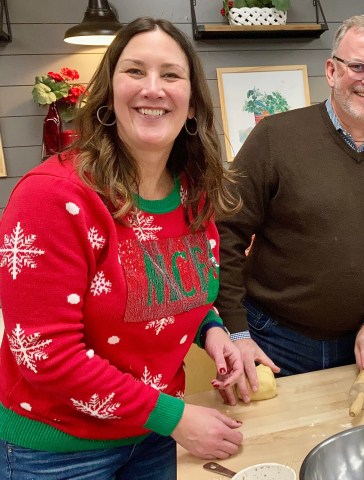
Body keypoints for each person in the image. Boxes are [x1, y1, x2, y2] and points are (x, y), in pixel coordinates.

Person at [0, 17, 246, 479]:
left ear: (192, 104)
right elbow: (46, 355)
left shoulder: (194, 191)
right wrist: (175, 418)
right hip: (59, 450)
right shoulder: (52, 197)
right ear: (108, 95)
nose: (153, 88)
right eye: (135, 71)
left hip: (150, 437)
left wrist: (212, 330)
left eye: (171, 75)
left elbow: (168, 284)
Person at [215, 14, 364, 394]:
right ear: (332, 71)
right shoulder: (273, 137)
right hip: (272, 341)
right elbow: (224, 235)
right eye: (359, 67)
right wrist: (235, 331)